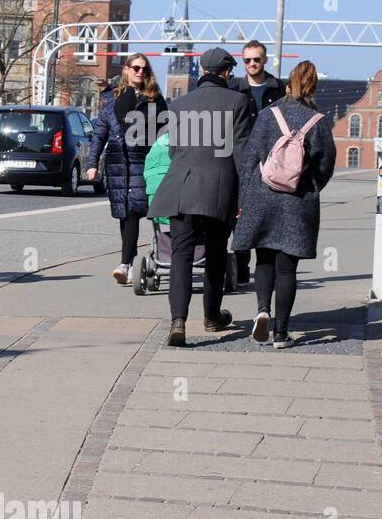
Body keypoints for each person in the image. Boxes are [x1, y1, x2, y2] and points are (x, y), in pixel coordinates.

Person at [147, 47, 256, 347]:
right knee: (215, 254)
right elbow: (241, 154)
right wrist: (245, 197)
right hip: (217, 191)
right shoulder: (238, 101)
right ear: (225, 72)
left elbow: (172, 150)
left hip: (180, 186)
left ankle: (178, 322)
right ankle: (211, 316)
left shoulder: (179, 104)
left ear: (203, 71)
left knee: (181, 254)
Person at [233, 61, 337, 348]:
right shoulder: (319, 122)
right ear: (313, 87)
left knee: (263, 258)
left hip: (261, 196)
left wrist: (246, 196)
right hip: (297, 201)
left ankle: (262, 311)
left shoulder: (268, 115)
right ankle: (281, 333)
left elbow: (249, 157)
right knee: (287, 269)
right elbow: (325, 165)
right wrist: (310, 186)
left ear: (288, 85)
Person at [87, 53, 168, 285]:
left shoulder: (155, 100)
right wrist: (92, 164)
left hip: (143, 162)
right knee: (124, 213)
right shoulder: (111, 99)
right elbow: (99, 133)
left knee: (133, 210)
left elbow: (165, 133)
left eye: (144, 68)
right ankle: (130, 263)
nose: (140, 72)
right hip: (117, 164)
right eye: (135, 67)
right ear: (126, 70)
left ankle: (125, 263)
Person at [229, 40, 287, 285]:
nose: (252, 64)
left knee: (269, 215)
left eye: (257, 59)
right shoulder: (234, 89)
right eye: (247, 60)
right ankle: (241, 267)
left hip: (273, 161)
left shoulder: (280, 89)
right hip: (241, 160)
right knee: (240, 214)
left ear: (264, 60)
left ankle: (267, 267)